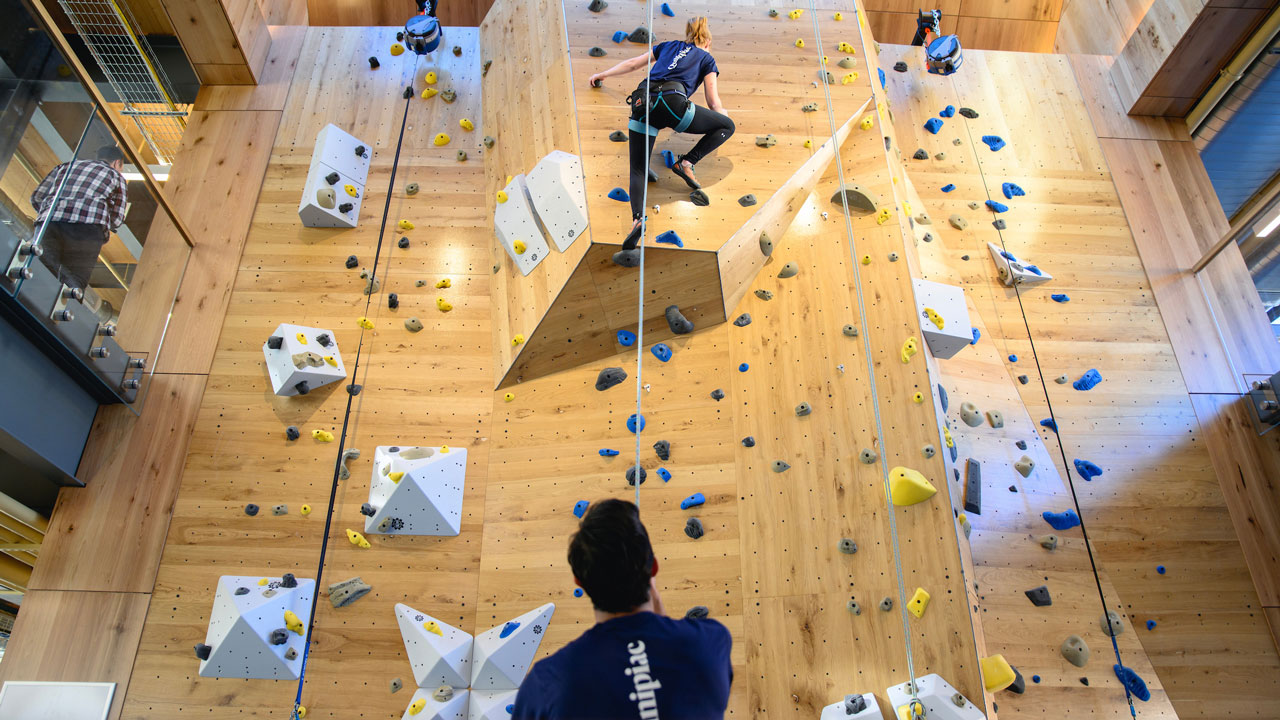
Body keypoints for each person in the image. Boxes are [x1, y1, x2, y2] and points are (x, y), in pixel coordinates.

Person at [510, 499, 732, 719]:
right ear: (654, 566)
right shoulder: (710, 642)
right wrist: (660, 626)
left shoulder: (545, 684)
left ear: (580, 582)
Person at [588, 17, 735, 251]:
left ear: (688, 36)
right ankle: (686, 162)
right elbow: (712, 101)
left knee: (637, 168)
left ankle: (637, 220)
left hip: (641, 102)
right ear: (707, 42)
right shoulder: (707, 58)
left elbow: (634, 63)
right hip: (673, 103)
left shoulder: (667, 46)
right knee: (727, 126)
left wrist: (603, 74)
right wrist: (723, 116)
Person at [29, 146, 127, 290]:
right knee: (76, 280)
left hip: (51, 221)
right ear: (117, 163)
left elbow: (37, 197)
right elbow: (117, 218)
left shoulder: (66, 167)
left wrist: (54, 211)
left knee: (41, 264)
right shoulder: (117, 176)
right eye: (121, 167)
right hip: (88, 230)